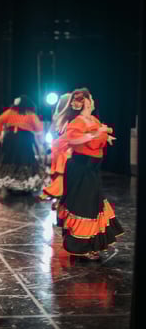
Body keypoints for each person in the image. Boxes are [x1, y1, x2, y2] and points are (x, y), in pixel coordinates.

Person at [54, 88, 123, 260]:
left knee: (93, 205)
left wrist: (104, 137)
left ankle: (92, 245)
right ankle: (82, 247)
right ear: (84, 101)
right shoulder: (77, 122)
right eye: (89, 98)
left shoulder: (93, 119)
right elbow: (73, 140)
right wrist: (97, 133)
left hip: (92, 169)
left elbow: (94, 137)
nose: (92, 100)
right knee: (84, 207)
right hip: (80, 169)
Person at [0, 95, 48, 197]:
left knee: (8, 160)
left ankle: (7, 185)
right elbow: (39, 128)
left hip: (10, 138)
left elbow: (0, 120)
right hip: (25, 139)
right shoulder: (31, 114)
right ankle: (24, 186)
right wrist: (40, 140)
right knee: (25, 161)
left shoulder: (11, 112)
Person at [39, 93, 72, 206]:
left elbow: (51, 132)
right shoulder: (71, 117)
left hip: (58, 148)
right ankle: (61, 199)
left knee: (60, 174)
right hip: (66, 149)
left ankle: (59, 200)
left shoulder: (57, 116)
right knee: (64, 175)